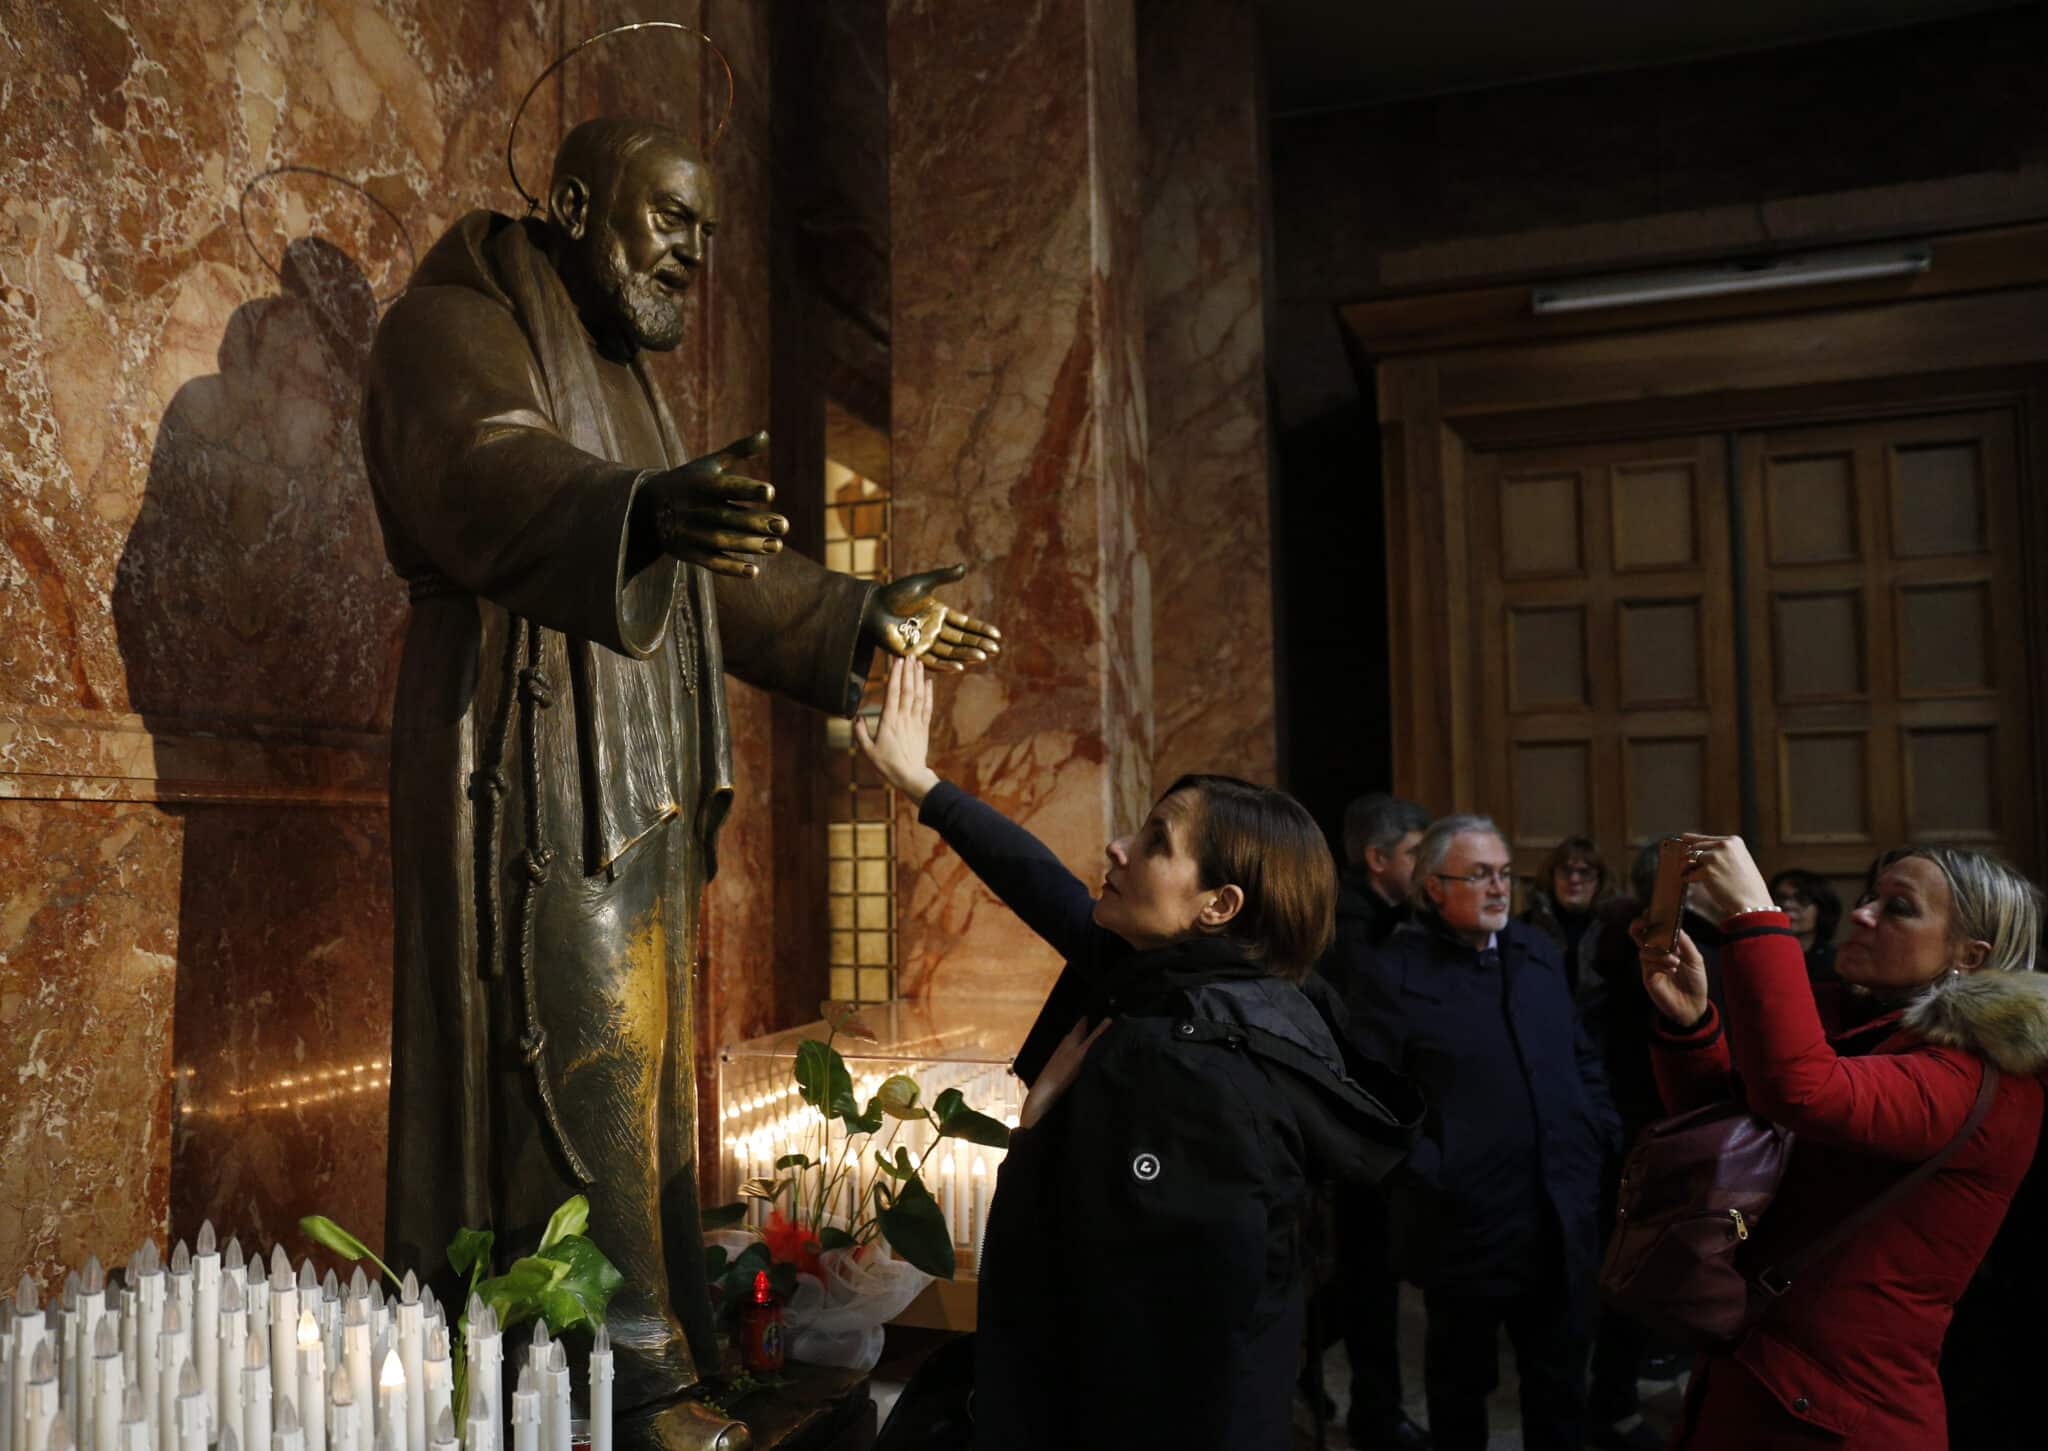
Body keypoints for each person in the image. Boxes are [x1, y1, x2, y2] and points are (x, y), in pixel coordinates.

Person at [359, 117, 1001, 1448]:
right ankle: (601, 1375)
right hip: (521, 756)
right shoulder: (455, 317)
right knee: (565, 1051)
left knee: (634, 1062)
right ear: (579, 200)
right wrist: (640, 511)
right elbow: (471, 469)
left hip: (633, 762)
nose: (693, 255)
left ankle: (641, 1356)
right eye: (670, 219)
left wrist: (857, 615)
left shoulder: (617, 369)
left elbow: (714, 571)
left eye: (707, 232)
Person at [854, 657, 1422, 1451]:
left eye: (1157, 840)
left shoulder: (1176, 1060)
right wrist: (923, 786)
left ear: (1218, 904)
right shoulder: (1237, 992)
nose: (1118, 847)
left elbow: (1138, 1337)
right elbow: (1043, 883)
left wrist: (1032, 1131)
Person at [1639, 836, 2048, 1449]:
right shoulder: (1879, 1031)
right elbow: (1745, 1145)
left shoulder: (1976, 1074)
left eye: (1898, 908)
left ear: (1971, 954)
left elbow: (1798, 1091)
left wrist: (1755, 914)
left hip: (1836, 1418)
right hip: (1769, 1382)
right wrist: (1693, 1025)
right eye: (1868, 898)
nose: (1861, 915)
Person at [1346, 815, 1619, 1451]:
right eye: (1479, 875)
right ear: (1434, 887)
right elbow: (1371, 1098)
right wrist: (1431, 1171)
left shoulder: (1535, 952)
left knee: (1559, 1390)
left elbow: (1580, 1056)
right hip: (1465, 1225)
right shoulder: (1393, 975)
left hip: (1559, 1214)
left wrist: (1599, 1132)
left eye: (1503, 874)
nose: (1499, 889)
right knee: (1459, 1392)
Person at [1314, 793, 1433, 1449]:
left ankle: (1361, 1399)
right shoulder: (1357, 935)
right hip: (1364, 1131)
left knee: (1368, 1278)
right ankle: (1376, 1414)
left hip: (1373, 1130)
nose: (1428, 863)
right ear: (1377, 858)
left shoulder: (1386, 921)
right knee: (1368, 1281)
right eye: (1417, 851)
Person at [1520, 836, 1613, 995]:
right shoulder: (1525, 926)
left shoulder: (1614, 928)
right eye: (1566, 870)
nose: (1574, 879)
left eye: (1584, 872)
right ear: (1552, 876)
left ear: (1598, 880)